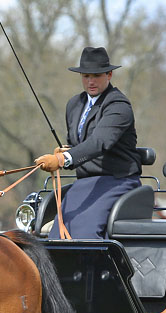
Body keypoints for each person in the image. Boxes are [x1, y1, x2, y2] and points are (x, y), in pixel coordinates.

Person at [34, 46, 141, 239]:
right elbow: (78, 142)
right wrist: (67, 151)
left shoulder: (118, 106)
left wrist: (62, 159)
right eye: (86, 76)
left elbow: (100, 142)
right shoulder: (74, 104)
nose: (91, 81)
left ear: (109, 74)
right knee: (58, 234)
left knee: (85, 232)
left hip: (117, 180)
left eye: (97, 75)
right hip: (84, 183)